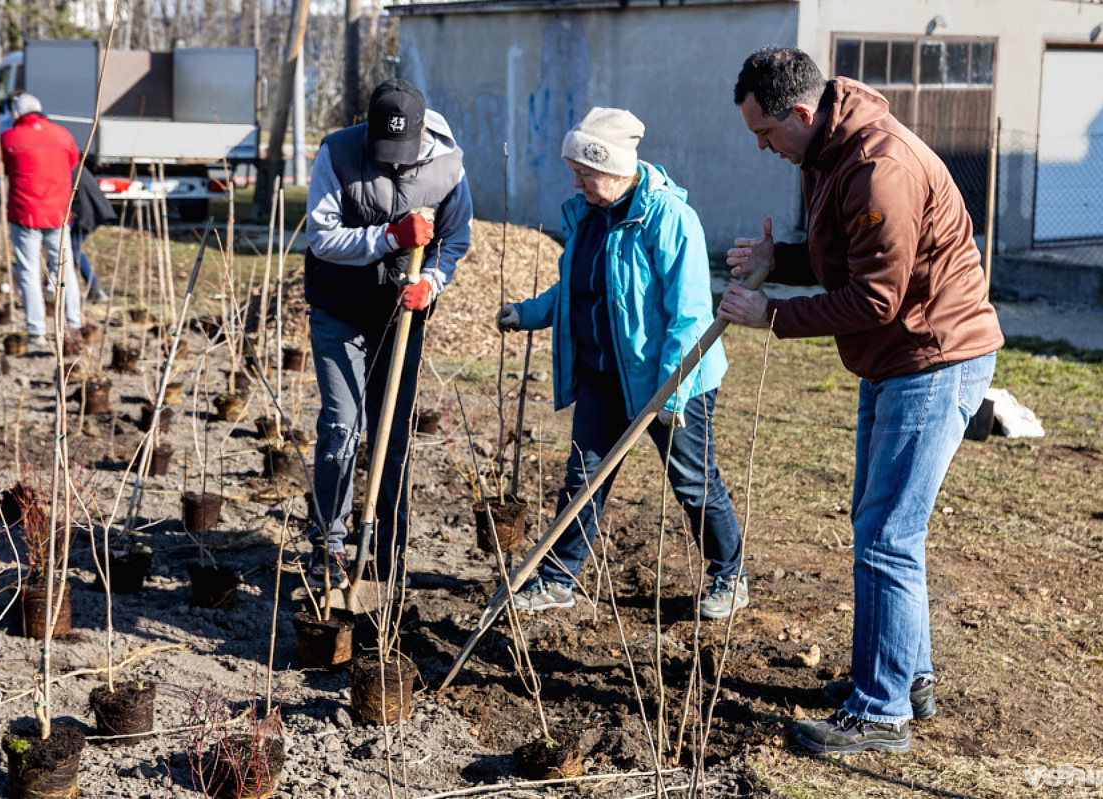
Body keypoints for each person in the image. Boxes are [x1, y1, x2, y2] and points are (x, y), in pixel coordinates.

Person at [720, 47, 1004, 754]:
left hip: (932, 358)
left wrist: (773, 316)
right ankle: (905, 678)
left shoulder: (881, 168)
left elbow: (875, 298)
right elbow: (845, 255)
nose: (762, 147)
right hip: (898, 357)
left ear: (803, 113)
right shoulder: (828, 150)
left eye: (764, 132)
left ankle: (879, 714)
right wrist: (775, 262)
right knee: (879, 523)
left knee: (887, 534)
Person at [496, 107, 747, 620]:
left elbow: (690, 315)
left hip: (672, 379)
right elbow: (579, 290)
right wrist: (529, 313)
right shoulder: (587, 216)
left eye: (584, 172)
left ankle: (730, 576)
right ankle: (557, 580)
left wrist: (672, 393)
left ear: (612, 168)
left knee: (693, 482)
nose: (577, 181)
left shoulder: (668, 218)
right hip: (602, 378)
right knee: (582, 481)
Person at [303, 79, 472, 590]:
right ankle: (328, 547)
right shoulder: (338, 151)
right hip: (338, 309)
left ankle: (385, 548)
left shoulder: (448, 166)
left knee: (391, 439)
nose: (391, 161)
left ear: (422, 133)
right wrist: (389, 237)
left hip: (401, 319)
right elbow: (321, 235)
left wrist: (431, 282)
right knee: (340, 429)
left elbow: (454, 239)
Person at [0, 92, 83, 345]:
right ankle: (73, 325)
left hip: (24, 215)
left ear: (16, 114)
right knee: (65, 271)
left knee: (28, 272)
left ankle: (36, 331)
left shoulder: (9, 138)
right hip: (59, 215)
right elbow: (72, 162)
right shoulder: (63, 135)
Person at [70, 164, 117, 303]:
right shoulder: (73, 164)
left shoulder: (68, 167)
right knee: (66, 248)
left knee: (72, 248)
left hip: (86, 214)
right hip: (89, 211)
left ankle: (95, 289)